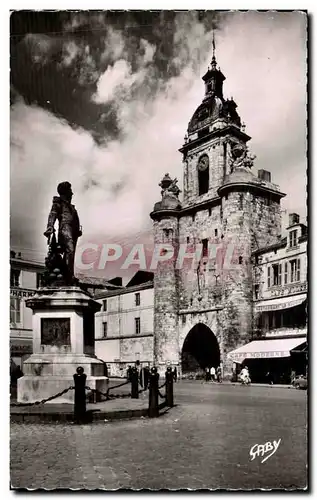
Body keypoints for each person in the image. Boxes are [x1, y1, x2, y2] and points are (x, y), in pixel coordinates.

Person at [44, 181, 82, 285]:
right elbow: (53, 214)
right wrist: (50, 227)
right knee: (70, 250)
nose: (72, 193)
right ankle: (69, 275)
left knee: (70, 254)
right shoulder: (58, 203)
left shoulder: (71, 207)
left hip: (73, 231)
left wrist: (77, 230)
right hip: (65, 229)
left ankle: (69, 275)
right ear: (65, 191)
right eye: (70, 190)